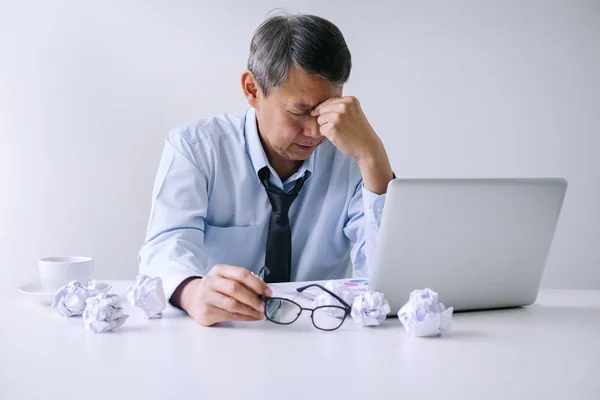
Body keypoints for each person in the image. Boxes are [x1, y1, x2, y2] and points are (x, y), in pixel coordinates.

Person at [138, 13, 394, 326]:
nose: (315, 132)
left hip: (320, 333)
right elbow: (165, 247)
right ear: (252, 90)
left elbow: (389, 277)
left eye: (327, 110)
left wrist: (373, 157)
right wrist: (193, 294)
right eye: (299, 112)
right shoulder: (196, 148)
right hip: (222, 335)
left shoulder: (351, 156)